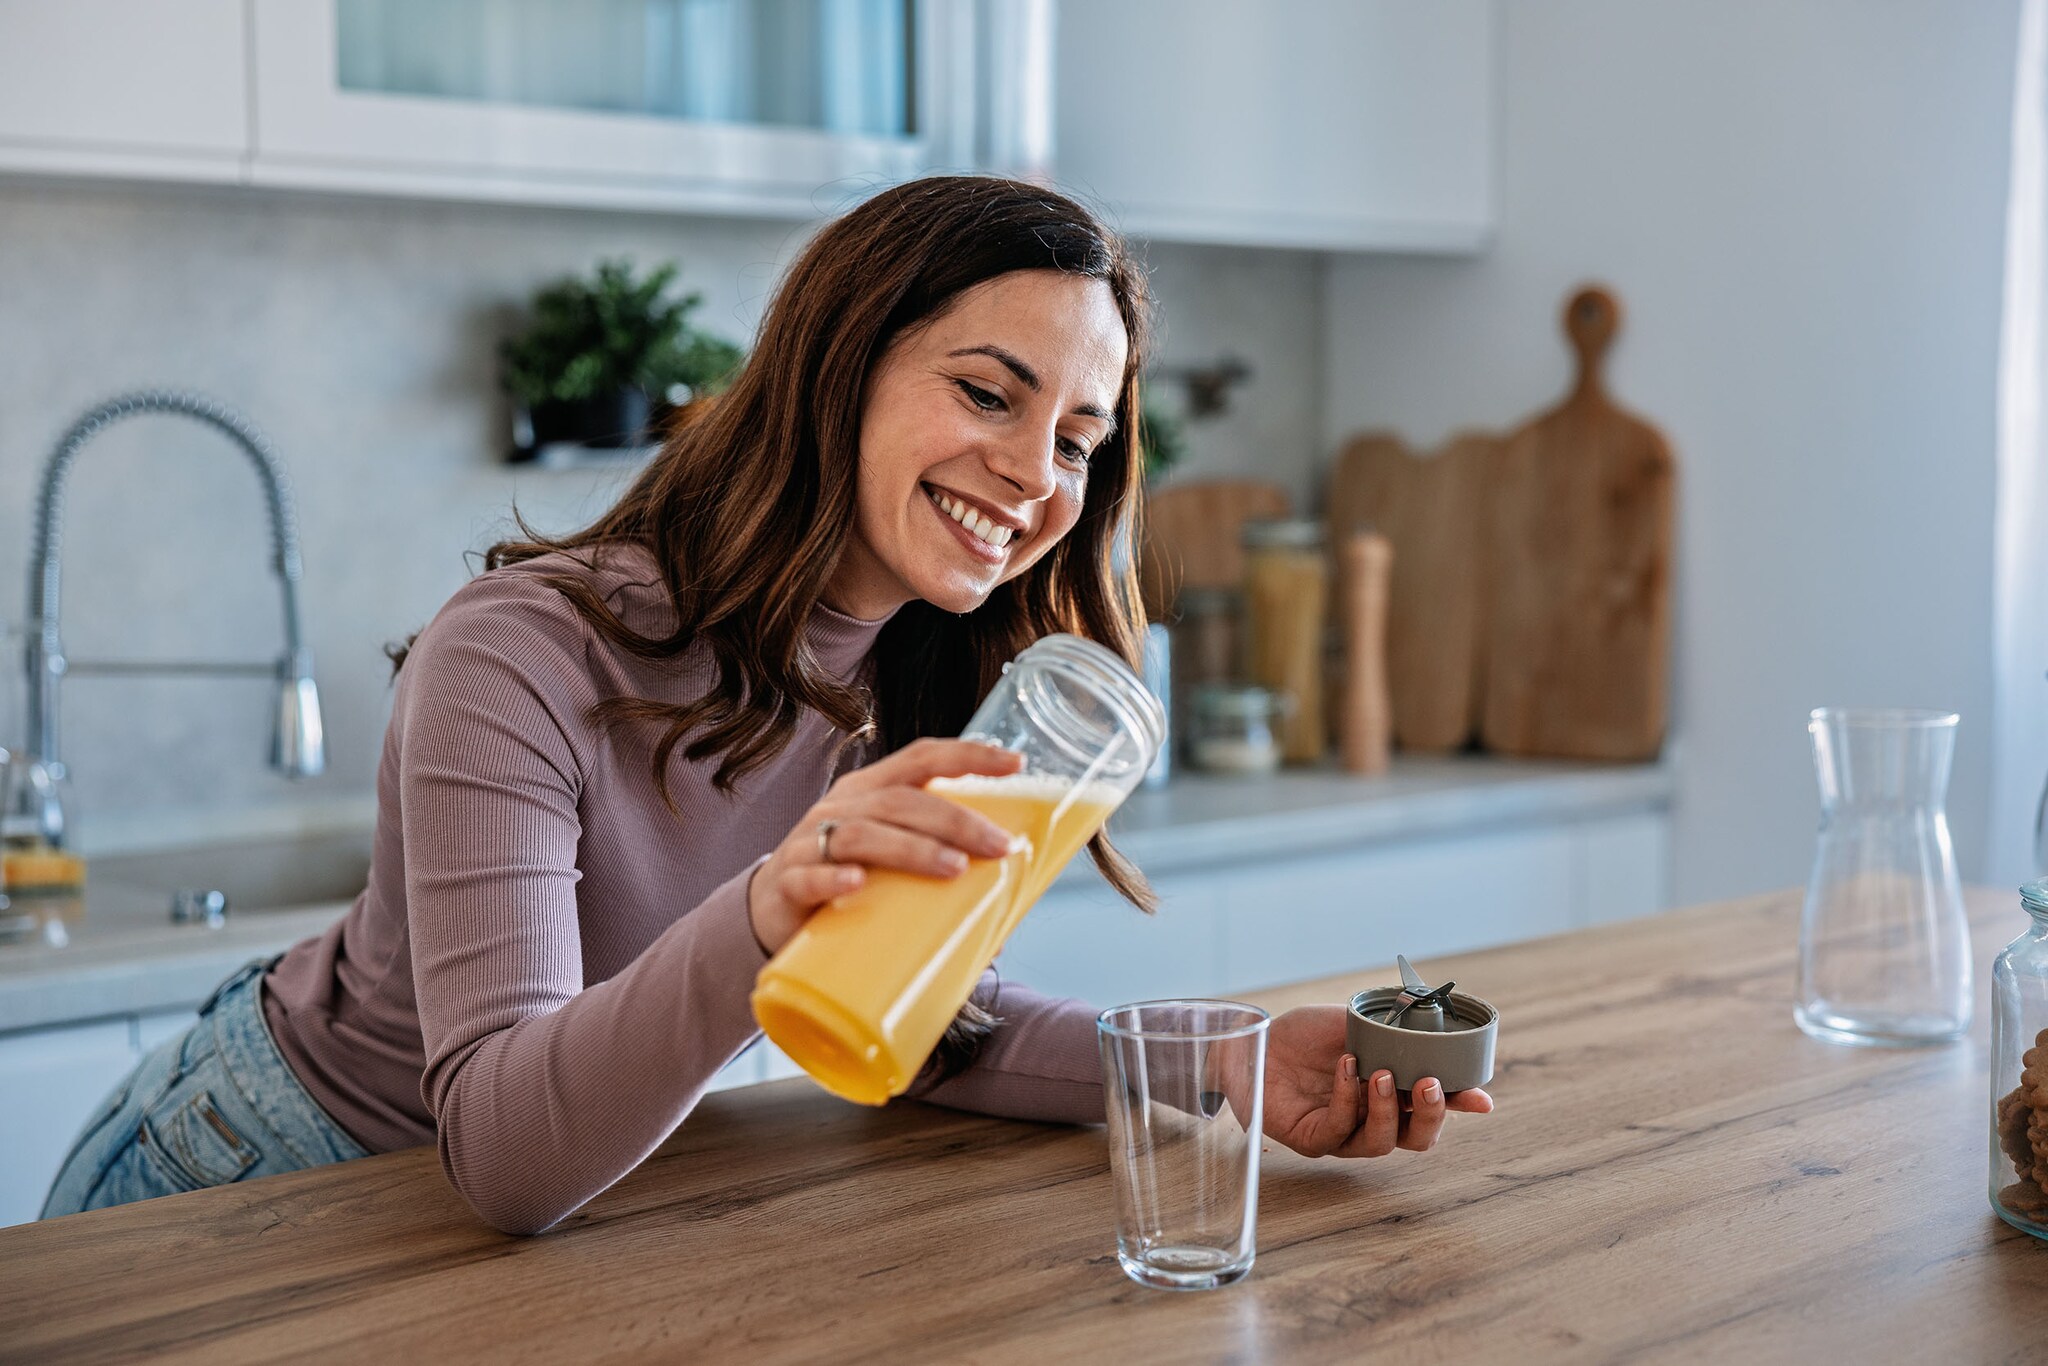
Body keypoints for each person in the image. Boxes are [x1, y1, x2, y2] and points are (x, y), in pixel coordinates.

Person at [41, 175, 1490, 1234]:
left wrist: (1226, 1064)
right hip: (261, 1167)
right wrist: (764, 912)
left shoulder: (928, 665)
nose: (1034, 474)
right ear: (837, 368)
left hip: (573, 1197)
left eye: (1078, 438)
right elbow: (502, 1148)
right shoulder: (524, 652)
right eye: (989, 394)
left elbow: (927, 1025)